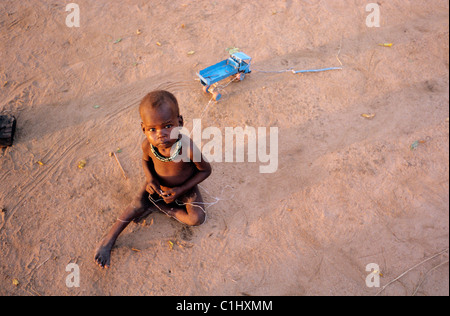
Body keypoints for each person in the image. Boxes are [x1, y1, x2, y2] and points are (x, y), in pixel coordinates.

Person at [94, 90, 212, 269]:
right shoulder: (148, 146)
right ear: (144, 129)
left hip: (184, 187)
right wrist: (150, 179)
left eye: (168, 126)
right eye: (152, 129)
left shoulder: (187, 149)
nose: (161, 134)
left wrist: (180, 190)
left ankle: (162, 208)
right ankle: (108, 241)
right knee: (135, 205)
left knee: (197, 219)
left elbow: (205, 171)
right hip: (157, 185)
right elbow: (145, 160)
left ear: (180, 122)